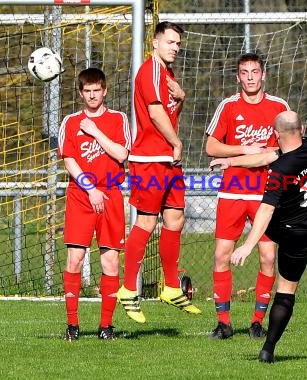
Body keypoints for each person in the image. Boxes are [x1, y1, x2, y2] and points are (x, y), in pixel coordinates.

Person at [210, 111, 307, 363]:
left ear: (275, 134)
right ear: (301, 129)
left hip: (286, 228)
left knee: (283, 288)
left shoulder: (280, 170)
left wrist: (248, 246)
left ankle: (265, 344)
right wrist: (232, 162)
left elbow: (266, 208)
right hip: (305, 230)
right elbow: (268, 155)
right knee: (285, 289)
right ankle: (267, 347)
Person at [117, 21, 200, 323]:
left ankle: (170, 286)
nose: (175, 47)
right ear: (155, 42)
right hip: (149, 158)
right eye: (170, 42)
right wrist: (176, 141)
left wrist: (182, 96)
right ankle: (127, 289)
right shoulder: (150, 70)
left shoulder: (167, 74)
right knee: (147, 221)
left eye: (178, 43)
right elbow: (154, 112)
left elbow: (168, 108)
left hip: (168, 160)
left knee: (176, 217)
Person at [205, 52, 290, 339]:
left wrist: (262, 155)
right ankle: (224, 322)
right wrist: (244, 150)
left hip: (267, 194)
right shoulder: (228, 106)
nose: (251, 77)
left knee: (267, 256)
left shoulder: (279, 107)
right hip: (232, 193)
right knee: (221, 255)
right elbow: (212, 147)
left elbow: (284, 150)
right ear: (237, 76)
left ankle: (257, 322)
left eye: (255, 71)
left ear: (263, 74)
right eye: (245, 72)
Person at [58, 67, 131, 341]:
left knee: (110, 262)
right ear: (80, 93)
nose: (92, 95)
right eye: (87, 91)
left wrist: (96, 132)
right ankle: (72, 325)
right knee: (74, 259)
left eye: (96, 90)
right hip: (81, 195)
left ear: (105, 91)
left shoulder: (118, 119)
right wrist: (90, 189)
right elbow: (69, 159)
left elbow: (122, 153)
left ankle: (105, 326)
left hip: (111, 194)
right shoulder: (71, 121)